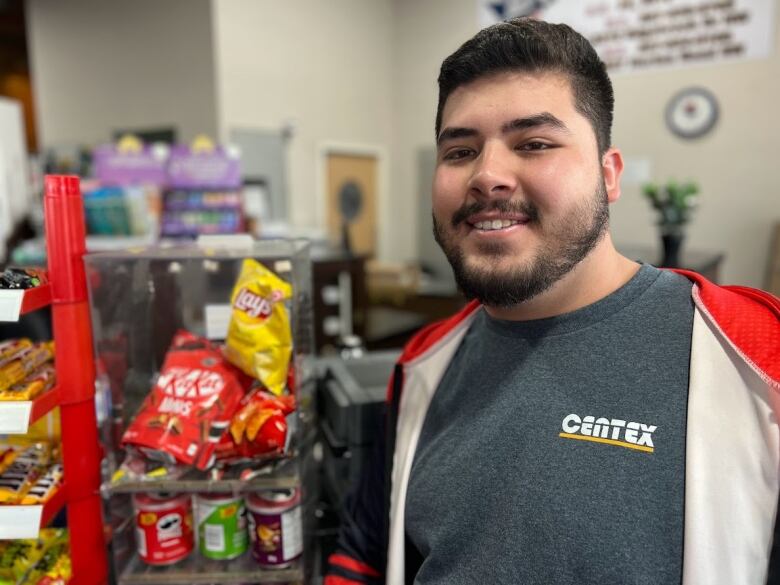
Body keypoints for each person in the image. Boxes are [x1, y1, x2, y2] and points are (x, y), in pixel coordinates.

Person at [325, 17, 780, 585]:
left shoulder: (756, 365)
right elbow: (366, 549)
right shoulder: (424, 364)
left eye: (534, 143)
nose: (488, 175)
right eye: (460, 150)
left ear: (609, 175)